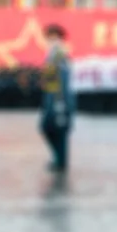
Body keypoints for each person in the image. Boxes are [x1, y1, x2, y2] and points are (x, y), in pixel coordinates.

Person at [40, 24, 74, 173]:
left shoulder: (60, 54)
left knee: (58, 130)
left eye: (54, 37)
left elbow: (63, 80)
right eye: (49, 37)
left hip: (60, 99)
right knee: (50, 128)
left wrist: (60, 101)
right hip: (51, 97)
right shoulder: (52, 55)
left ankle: (60, 161)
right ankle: (59, 159)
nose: (50, 40)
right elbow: (49, 79)